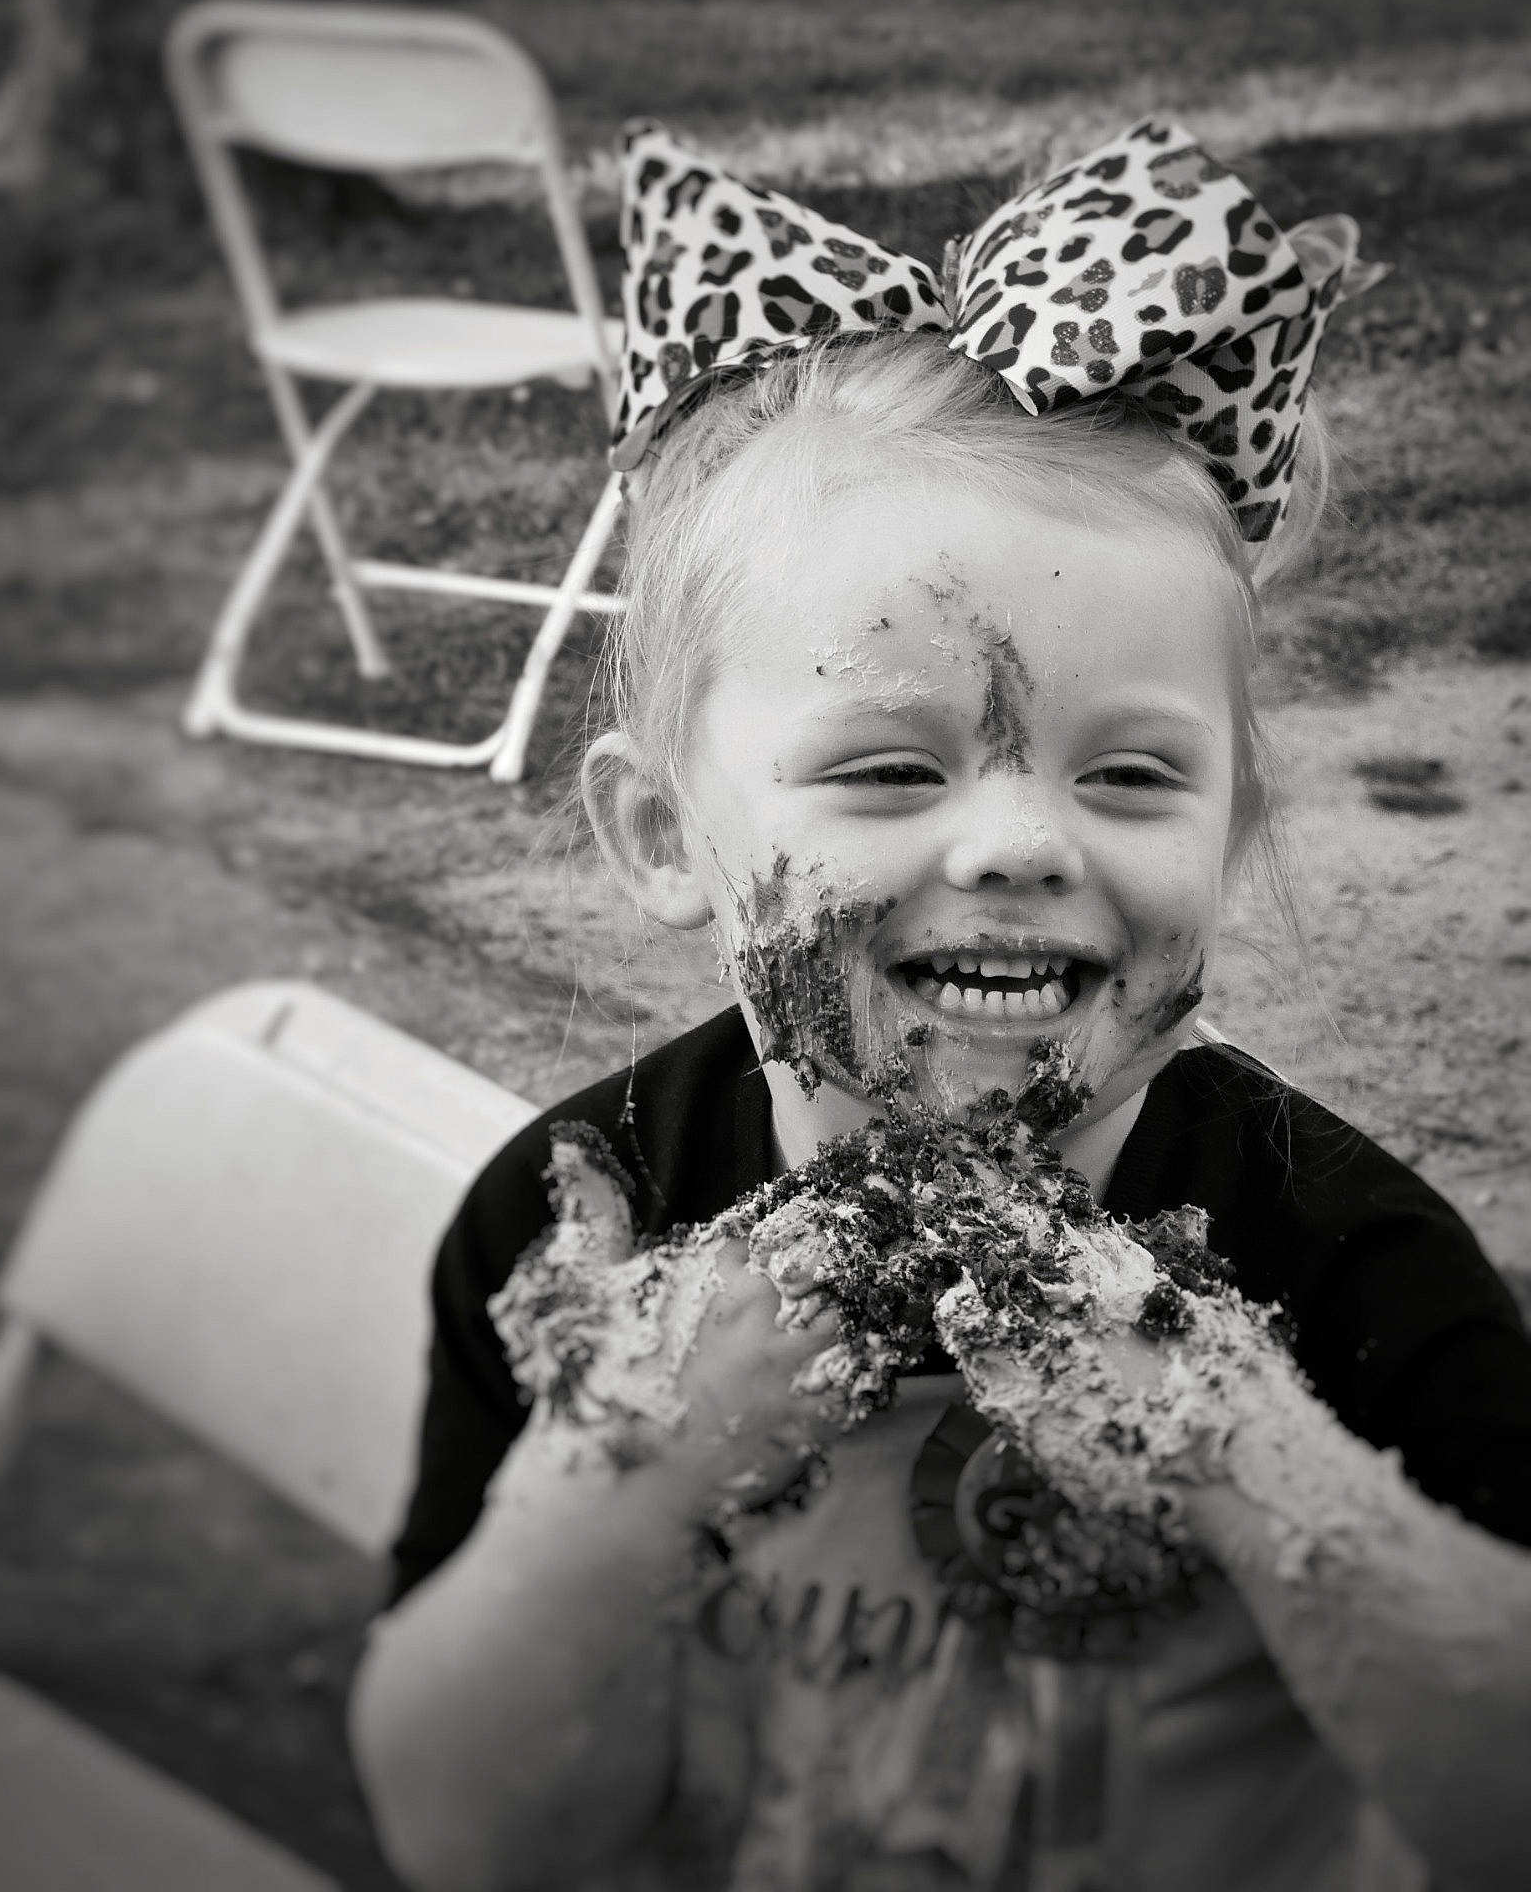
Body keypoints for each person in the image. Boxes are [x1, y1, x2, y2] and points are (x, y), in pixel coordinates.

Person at [349, 118, 1531, 1892]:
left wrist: (1240, 1449)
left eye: (1131, 776)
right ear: (666, 835)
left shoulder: (1339, 1258)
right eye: (892, 770)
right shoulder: (573, 1223)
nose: (1019, 841)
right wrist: (632, 1468)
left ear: (1236, 826)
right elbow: (463, 1835)